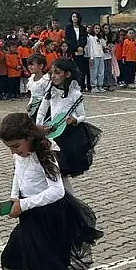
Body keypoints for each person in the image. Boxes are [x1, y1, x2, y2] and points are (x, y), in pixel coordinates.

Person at [0, 112, 102, 270]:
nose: (14, 151)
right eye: (10, 148)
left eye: (16, 146)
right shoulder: (20, 154)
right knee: (10, 260)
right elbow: (18, 174)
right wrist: (15, 197)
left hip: (47, 218)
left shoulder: (46, 155)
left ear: (28, 137)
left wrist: (24, 204)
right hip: (29, 215)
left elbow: (57, 191)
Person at [38, 58, 101, 193]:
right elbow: (41, 112)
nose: (53, 76)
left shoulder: (75, 94)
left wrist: (74, 120)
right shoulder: (50, 92)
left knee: (62, 171)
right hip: (52, 134)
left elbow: (82, 115)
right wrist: (39, 127)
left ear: (67, 74)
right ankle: (62, 198)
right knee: (54, 170)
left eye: (57, 72)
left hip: (68, 136)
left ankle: (69, 200)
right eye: (51, 73)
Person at [64, 12, 90, 92]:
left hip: (81, 51)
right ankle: (72, 86)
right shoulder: (68, 28)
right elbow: (68, 40)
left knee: (82, 69)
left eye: (76, 17)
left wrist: (81, 46)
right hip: (72, 51)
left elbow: (84, 38)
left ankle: (82, 85)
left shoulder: (82, 28)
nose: (74, 18)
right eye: (73, 16)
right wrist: (76, 47)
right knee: (73, 69)